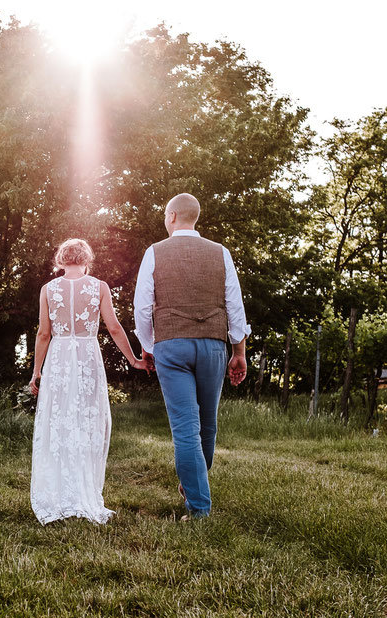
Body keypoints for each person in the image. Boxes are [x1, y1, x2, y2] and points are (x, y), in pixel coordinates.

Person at [133, 193, 250, 520]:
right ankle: (195, 485)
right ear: (194, 218)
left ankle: (198, 504)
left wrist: (149, 344)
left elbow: (142, 308)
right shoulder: (221, 253)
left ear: (171, 217)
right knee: (207, 425)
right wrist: (238, 351)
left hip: (171, 345)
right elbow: (235, 307)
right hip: (213, 345)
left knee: (186, 427)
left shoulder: (154, 252)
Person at [29, 238, 147, 524]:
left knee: (59, 422)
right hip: (86, 358)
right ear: (86, 260)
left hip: (58, 358)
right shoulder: (99, 287)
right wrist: (133, 359)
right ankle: (83, 492)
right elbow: (115, 327)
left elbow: (44, 334)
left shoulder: (48, 289)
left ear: (60, 260)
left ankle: (59, 494)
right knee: (88, 420)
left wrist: (36, 370)